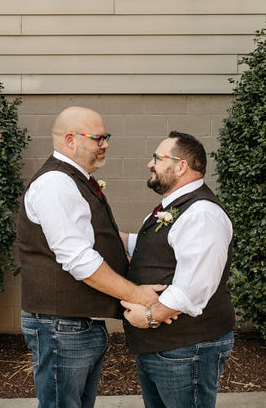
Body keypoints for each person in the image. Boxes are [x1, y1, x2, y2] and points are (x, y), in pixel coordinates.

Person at [16, 106, 165, 408]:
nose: (105, 144)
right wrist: (138, 295)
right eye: (98, 138)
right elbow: (79, 260)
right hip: (61, 326)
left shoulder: (73, 180)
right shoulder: (55, 184)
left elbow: (98, 237)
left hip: (74, 325)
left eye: (106, 137)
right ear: (70, 140)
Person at [120, 131, 235, 408]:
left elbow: (194, 287)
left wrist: (149, 317)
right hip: (165, 347)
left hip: (187, 349)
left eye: (157, 158)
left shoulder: (201, 214)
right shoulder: (175, 207)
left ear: (181, 166)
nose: (150, 164)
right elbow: (154, 247)